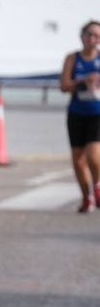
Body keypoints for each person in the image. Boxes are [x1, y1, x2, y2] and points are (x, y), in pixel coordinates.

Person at [59, 20, 100, 213]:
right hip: (77, 113)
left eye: (96, 36)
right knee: (78, 160)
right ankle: (86, 197)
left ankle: (97, 186)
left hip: (97, 113)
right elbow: (64, 86)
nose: (92, 39)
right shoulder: (72, 58)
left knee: (93, 155)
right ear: (82, 37)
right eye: (89, 35)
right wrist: (83, 81)